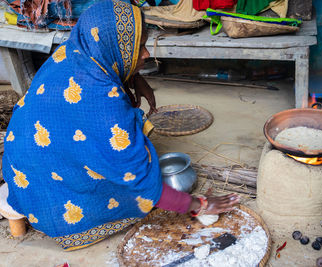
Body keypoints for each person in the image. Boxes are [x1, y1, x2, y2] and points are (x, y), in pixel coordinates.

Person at [1, 0, 239, 251]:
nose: (146, 54)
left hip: (21, 158)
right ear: (115, 48)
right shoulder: (103, 102)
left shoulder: (73, 52)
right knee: (128, 184)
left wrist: (135, 78)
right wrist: (198, 205)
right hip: (44, 189)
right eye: (140, 47)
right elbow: (142, 184)